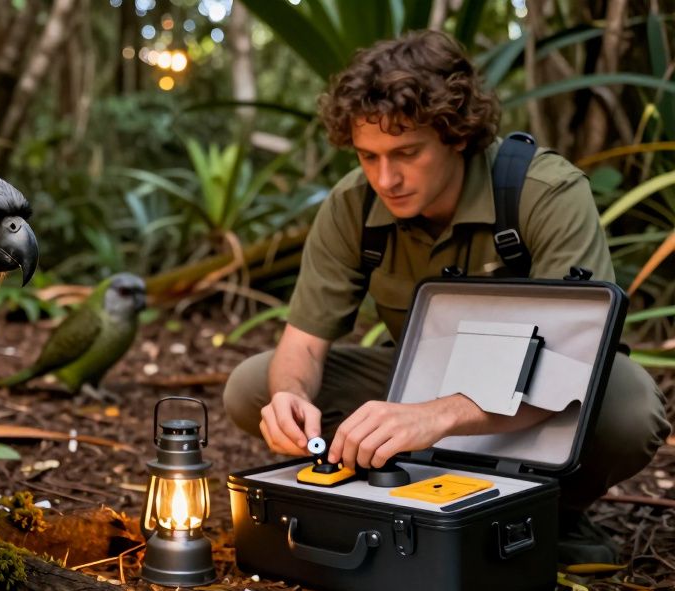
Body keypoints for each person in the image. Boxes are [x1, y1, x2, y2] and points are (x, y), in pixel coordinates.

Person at [222, 31, 669, 563]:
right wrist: (290, 397)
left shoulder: (542, 191)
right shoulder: (352, 206)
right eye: (368, 156)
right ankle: (405, 496)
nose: (386, 178)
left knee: (628, 406)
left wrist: (438, 416)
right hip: (418, 381)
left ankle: (549, 516)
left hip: (533, 385)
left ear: (456, 135)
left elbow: (575, 365)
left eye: (407, 153)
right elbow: (304, 344)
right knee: (254, 385)